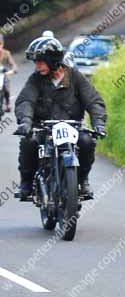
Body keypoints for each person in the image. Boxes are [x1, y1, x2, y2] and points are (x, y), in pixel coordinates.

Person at [13, 32, 107, 199]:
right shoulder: (35, 79)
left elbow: (93, 101)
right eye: (36, 62)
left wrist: (98, 123)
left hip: (72, 128)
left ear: (53, 60)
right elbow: (25, 101)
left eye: (40, 62)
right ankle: (26, 183)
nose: (37, 66)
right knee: (29, 142)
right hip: (43, 129)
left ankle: (83, 180)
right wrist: (25, 123)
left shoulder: (76, 77)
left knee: (86, 142)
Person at [0, 34, 18, 112]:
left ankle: (7, 103)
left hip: (3, 76)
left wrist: (12, 70)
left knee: (6, 88)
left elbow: (13, 65)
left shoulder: (6, 53)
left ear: (2, 44)